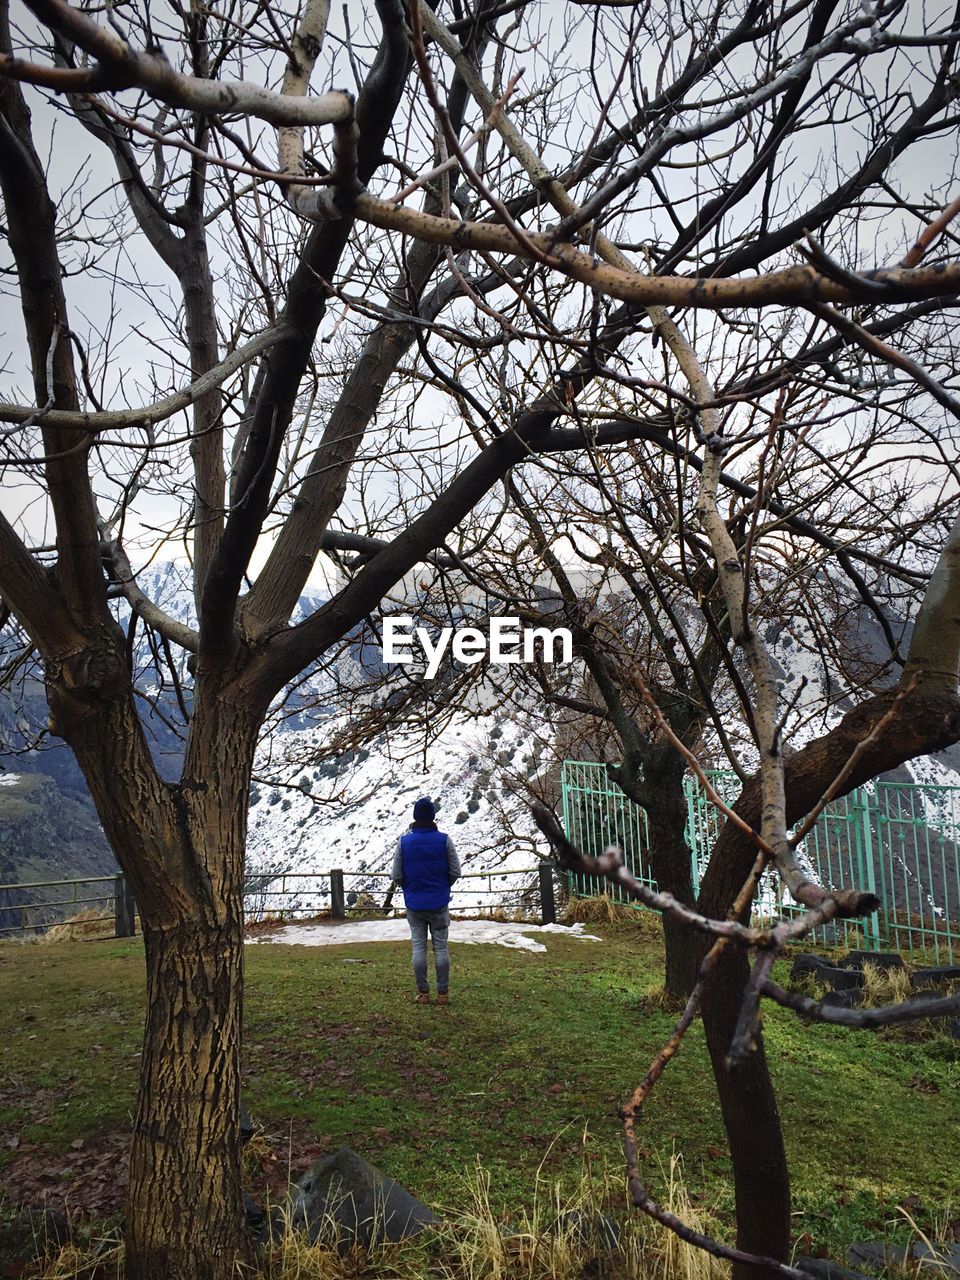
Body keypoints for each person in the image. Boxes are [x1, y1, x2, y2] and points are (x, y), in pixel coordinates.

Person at [392, 797, 460, 1005]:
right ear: (432, 816)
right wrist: (443, 886)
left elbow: (396, 875)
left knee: (418, 947)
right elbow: (455, 871)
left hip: (415, 903)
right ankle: (443, 994)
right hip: (439, 902)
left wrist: (410, 888)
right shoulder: (444, 840)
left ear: (415, 817)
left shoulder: (404, 843)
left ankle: (423, 993)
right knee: (441, 948)